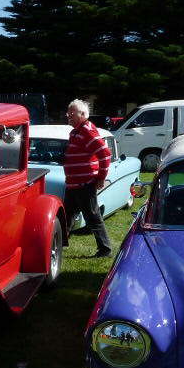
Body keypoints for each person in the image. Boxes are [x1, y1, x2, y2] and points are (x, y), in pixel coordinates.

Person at [64, 99, 112, 257]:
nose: (68, 115)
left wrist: (101, 177)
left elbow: (105, 154)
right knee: (67, 214)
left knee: (92, 215)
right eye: (68, 112)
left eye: (72, 112)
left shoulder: (87, 130)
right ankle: (59, 243)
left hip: (85, 184)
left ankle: (105, 249)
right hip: (73, 184)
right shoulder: (76, 131)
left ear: (83, 114)